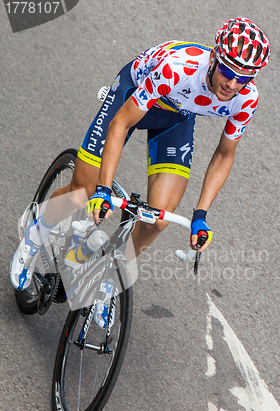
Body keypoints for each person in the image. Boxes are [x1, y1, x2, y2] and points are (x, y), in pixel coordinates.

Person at [11, 18, 270, 294]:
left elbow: (224, 154)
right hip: (131, 97)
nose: (232, 84)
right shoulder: (177, 69)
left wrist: (201, 215)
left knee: (157, 220)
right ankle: (35, 234)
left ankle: (109, 281)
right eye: (228, 73)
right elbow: (121, 124)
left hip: (175, 117)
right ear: (214, 59)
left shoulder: (246, 98)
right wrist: (102, 189)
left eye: (243, 78)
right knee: (82, 194)